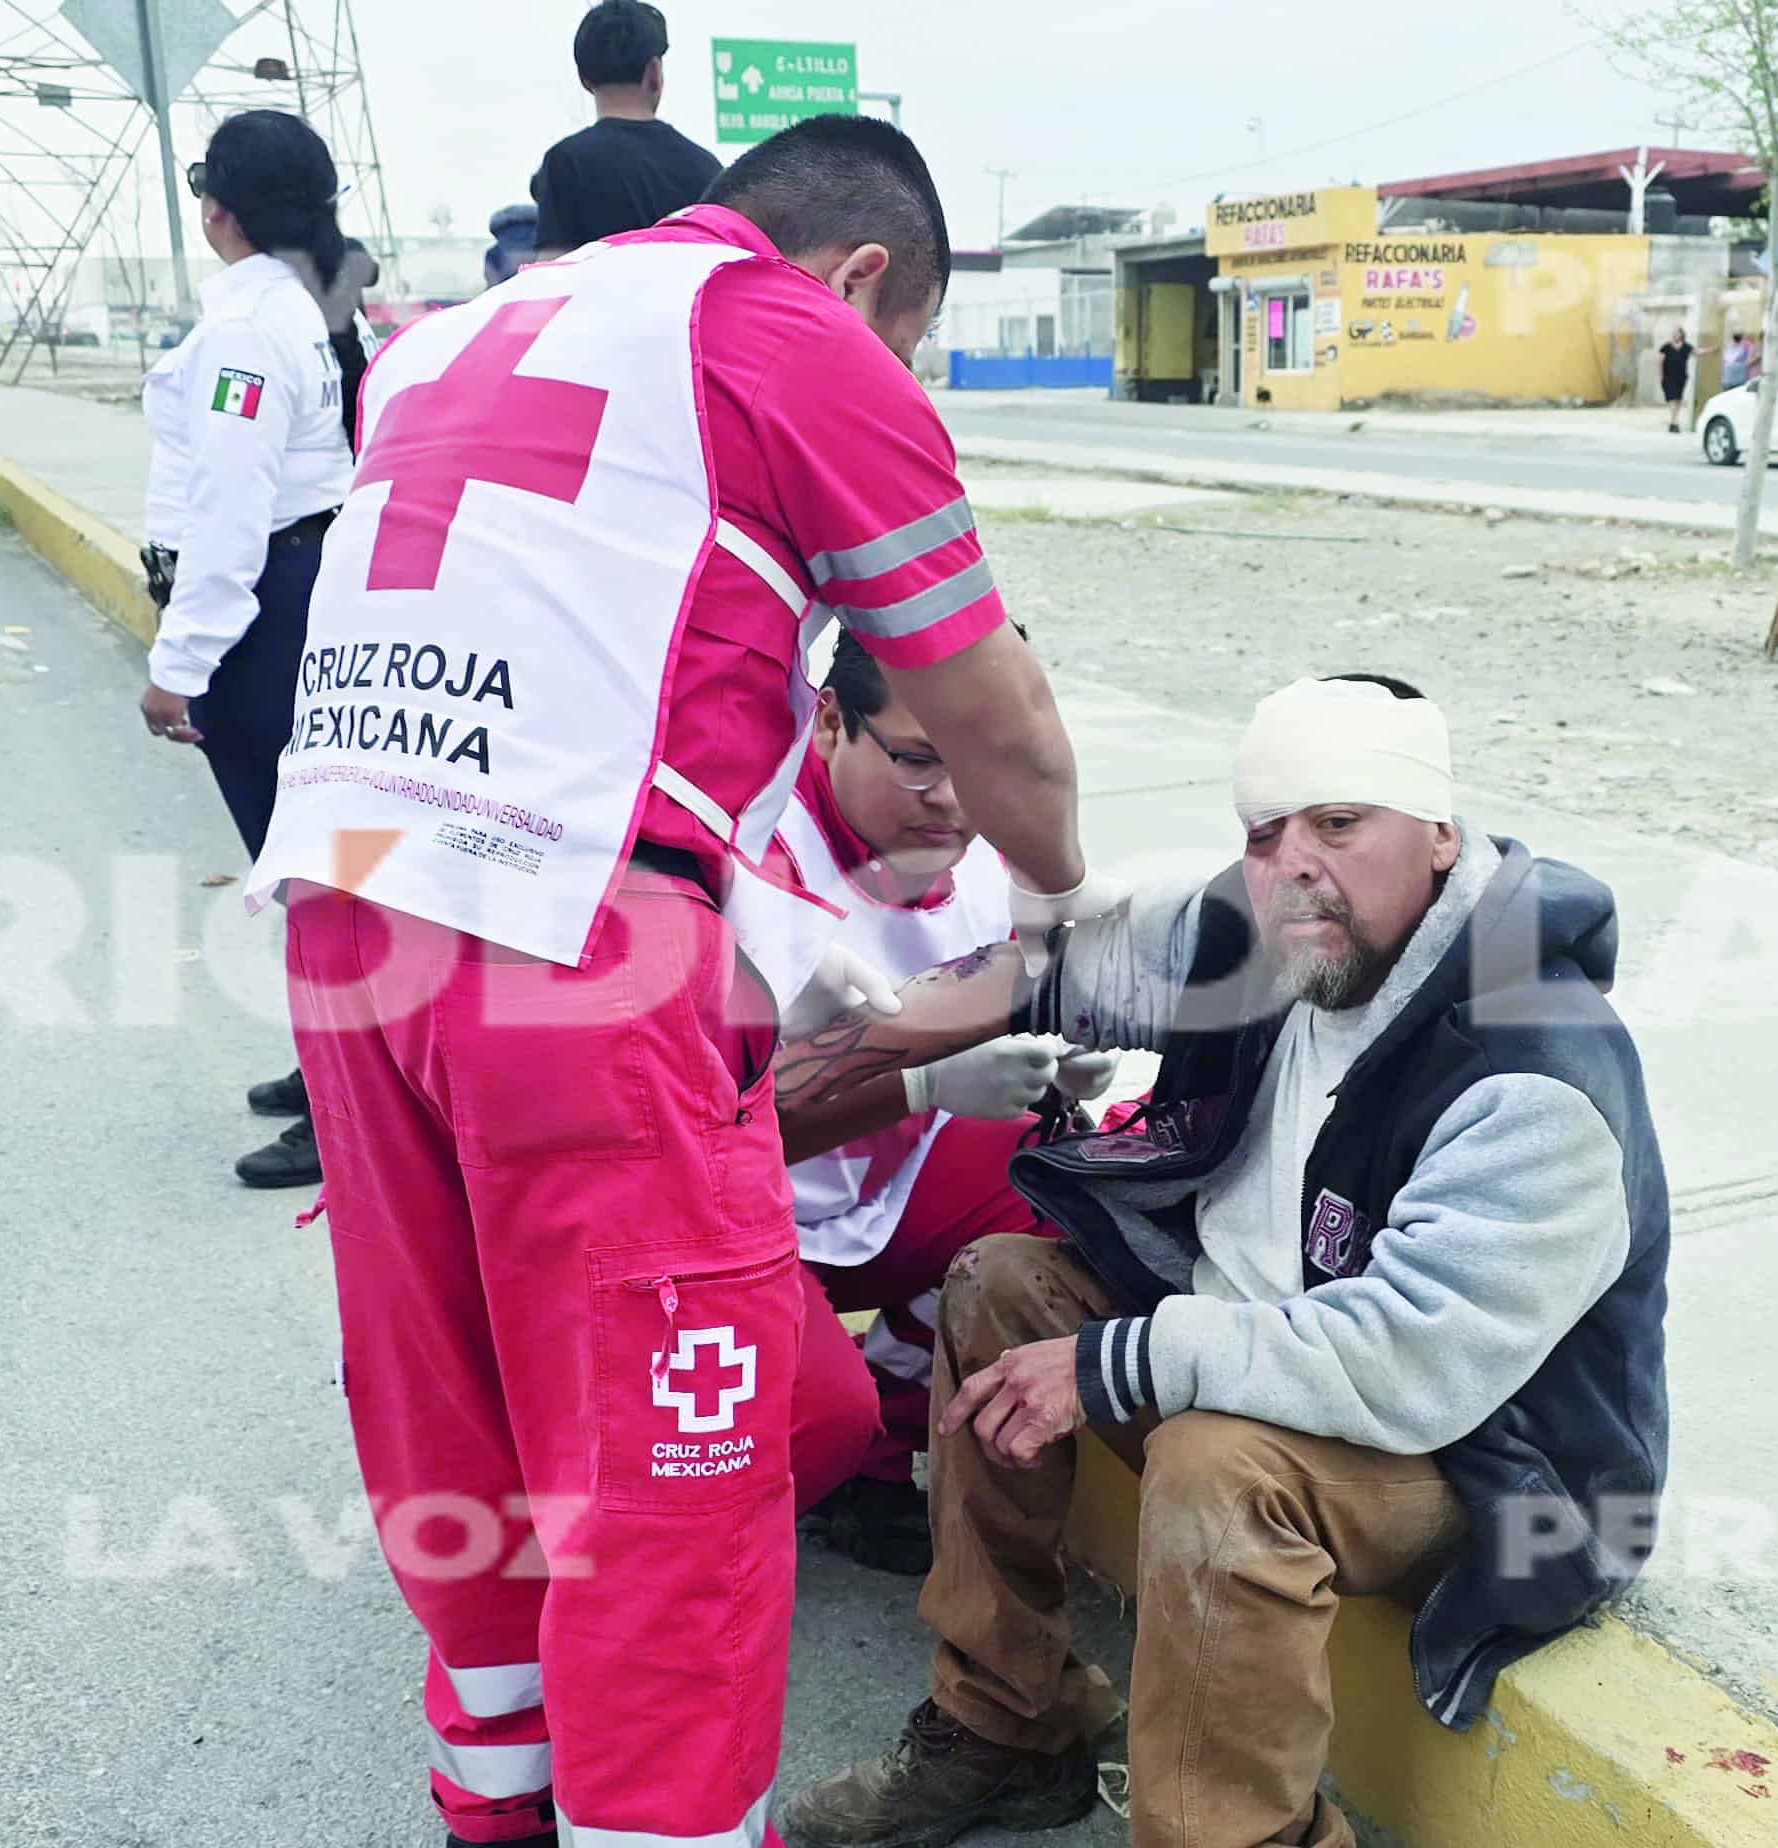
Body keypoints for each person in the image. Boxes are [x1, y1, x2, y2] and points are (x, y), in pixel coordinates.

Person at [258, 114, 1116, 1848]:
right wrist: (1069, 904)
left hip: (347, 909)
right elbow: (992, 710)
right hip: (577, 934)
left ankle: (495, 1806)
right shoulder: (786, 332)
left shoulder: (450, 339)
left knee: (468, 1411)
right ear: (863, 274)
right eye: (912, 339)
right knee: (676, 1475)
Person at [775, 676, 1671, 1848]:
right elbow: (1048, 970)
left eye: (1340, 823)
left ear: (1439, 835)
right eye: (1265, 833)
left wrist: (1115, 1365)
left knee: (1216, 1466)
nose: (1295, 863)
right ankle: (1007, 1724)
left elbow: (1409, 1363)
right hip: (1264, 1353)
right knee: (1000, 1289)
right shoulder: (1259, 935)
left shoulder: (1532, 1068)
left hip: (1483, 1462)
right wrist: (836, 1055)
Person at [767, 632, 1117, 1576]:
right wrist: (921, 1084)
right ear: (831, 719)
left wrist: (1059, 1069)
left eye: (983, 764)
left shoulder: (991, 861)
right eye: (921, 761)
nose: (959, 801)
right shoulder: (746, 855)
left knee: (1070, 1182)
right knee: (805, 1424)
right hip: (719, 1219)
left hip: (862, 1198)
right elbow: (708, 1120)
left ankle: (881, 1451)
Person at [137, 110, 376, 1191]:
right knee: (320, 865)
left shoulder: (247, 326)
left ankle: (349, 1109)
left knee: (313, 877)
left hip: (264, 608)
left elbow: (230, 511)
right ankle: (333, 1068)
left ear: (218, 207)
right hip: (302, 591)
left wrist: (179, 665)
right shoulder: (304, 303)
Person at [527, 0, 723, 260]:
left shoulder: (566, 162)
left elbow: (550, 273)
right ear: (654, 73)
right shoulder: (706, 168)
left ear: (584, 78)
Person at [1655, 325, 1695, 434]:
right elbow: (1659, 362)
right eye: (1673, 333)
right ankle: (1674, 422)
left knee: (1678, 399)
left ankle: (1673, 422)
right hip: (1668, 377)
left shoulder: (1687, 347)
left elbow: (1697, 352)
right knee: (1671, 398)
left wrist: (1712, 350)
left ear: (1681, 335)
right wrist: (1660, 376)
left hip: (1681, 377)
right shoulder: (1666, 347)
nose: (1674, 335)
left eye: (1676, 333)